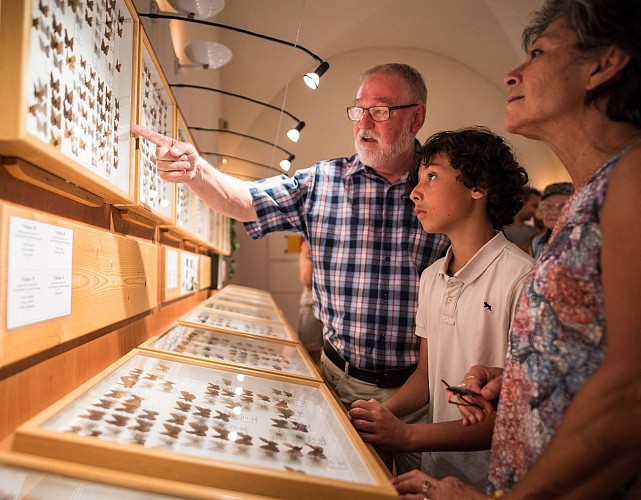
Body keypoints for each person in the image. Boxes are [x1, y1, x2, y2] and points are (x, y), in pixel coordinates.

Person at [131, 63, 450, 474]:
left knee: (421, 487)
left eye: (381, 111)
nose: (364, 123)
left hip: (422, 389)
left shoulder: (441, 183)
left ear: (416, 117)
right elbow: (244, 199)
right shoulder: (323, 182)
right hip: (343, 383)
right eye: (358, 110)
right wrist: (196, 170)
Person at [392, 0, 641, 497]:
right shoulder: (587, 199)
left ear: (604, 64)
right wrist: (517, 378)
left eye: (539, 53)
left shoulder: (632, 177)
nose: (512, 74)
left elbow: (631, 391)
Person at [349, 126, 534, 490]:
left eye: (431, 177)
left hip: (495, 481)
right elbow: (425, 376)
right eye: (418, 179)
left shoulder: (521, 278)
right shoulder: (433, 276)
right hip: (439, 471)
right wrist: (381, 414)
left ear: (478, 187)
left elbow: (517, 412)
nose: (414, 193)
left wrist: (407, 437)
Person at [519, 182, 574, 258]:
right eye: (547, 205)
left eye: (563, 206)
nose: (553, 211)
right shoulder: (537, 242)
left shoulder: (580, 240)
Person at [297, 238, 322, 364]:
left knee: (310, 351)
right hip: (312, 299)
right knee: (310, 351)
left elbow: (306, 279)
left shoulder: (309, 243)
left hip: (313, 298)